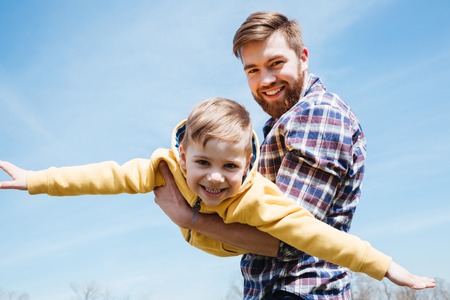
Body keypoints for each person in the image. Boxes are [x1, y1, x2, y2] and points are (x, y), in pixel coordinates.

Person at [0, 98, 434, 294]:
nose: (214, 178)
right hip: (203, 236)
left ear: (247, 165)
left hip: (235, 239)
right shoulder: (162, 169)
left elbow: (322, 237)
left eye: (230, 167)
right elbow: (103, 176)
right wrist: (37, 180)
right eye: (203, 163)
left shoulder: (256, 199)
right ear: (184, 154)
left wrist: (391, 269)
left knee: (293, 235)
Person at [151, 11, 416, 300]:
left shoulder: (317, 114)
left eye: (275, 64)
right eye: (252, 70)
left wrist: (190, 219)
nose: (265, 79)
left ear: (303, 57)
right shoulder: (283, 123)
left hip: (299, 290)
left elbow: (289, 239)